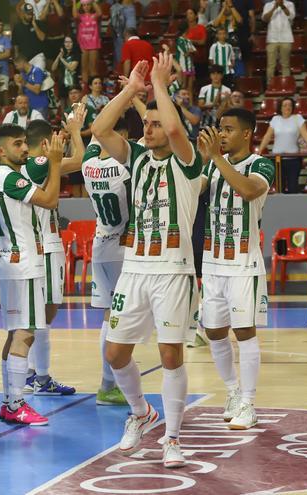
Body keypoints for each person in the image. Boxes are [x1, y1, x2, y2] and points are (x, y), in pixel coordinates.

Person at [91, 54, 201, 468]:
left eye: (155, 124)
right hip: (134, 268)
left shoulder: (187, 161)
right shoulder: (135, 157)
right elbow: (100, 129)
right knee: (116, 354)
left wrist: (159, 86)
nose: (150, 129)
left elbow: (174, 127)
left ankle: (172, 438)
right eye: (147, 124)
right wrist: (131, 91)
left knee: (171, 355)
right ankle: (141, 413)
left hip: (173, 270)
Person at [196, 110, 272, 432]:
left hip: (243, 263)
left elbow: (249, 190)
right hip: (212, 263)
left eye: (229, 130)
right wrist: (198, 162)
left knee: (244, 332)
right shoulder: (213, 165)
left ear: (247, 134)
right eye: (220, 129)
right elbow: (192, 189)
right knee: (213, 331)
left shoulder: (260, 164)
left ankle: (249, 403)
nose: (222, 135)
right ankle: (232, 393)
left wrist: (215, 158)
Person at [0, 124, 64, 426]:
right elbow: (50, 200)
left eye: (24, 143)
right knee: (26, 332)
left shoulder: (0, 176)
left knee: (14, 333)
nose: (23, 149)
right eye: (17, 144)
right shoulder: (11, 179)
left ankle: (10, 401)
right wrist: (56, 162)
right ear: (1, 151)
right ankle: (16, 403)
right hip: (24, 264)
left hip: (11, 262)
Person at [18, 118, 84, 396]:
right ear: (45, 144)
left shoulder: (30, 167)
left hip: (39, 245)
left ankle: (33, 373)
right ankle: (40, 377)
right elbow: (80, 159)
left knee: (41, 314)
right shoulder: (40, 164)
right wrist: (77, 130)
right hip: (45, 246)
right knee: (44, 313)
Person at [80, 116, 130, 406]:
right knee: (122, 319)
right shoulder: (125, 166)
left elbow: (87, 145)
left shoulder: (89, 165)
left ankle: (107, 384)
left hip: (100, 246)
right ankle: (113, 383)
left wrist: (76, 128)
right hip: (124, 247)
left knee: (108, 318)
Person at [256, 98, 307, 193]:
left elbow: (305, 134)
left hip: (293, 160)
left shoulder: (298, 118)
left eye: (289, 105)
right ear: (280, 108)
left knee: (292, 187)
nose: (287, 107)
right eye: (285, 105)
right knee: (279, 188)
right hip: (277, 160)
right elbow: (267, 136)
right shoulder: (275, 119)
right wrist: (260, 150)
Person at [262, 0, 295, 78]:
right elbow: (265, 19)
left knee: (285, 64)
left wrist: (282, 6)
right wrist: (274, 8)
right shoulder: (268, 5)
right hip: (272, 38)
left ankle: (286, 85)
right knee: (270, 65)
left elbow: (292, 16)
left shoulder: (290, 4)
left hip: (286, 38)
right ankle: (270, 86)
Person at [73, 0, 101, 84]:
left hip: (94, 44)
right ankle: (85, 88)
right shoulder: (80, 17)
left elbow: (99, 12)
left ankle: (95, 86)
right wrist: (74, 2)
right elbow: (74, 15)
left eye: (88, 5)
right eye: (84, 5)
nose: (86, 7)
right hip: (83, 44)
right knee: (84, 68)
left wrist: (93, 2)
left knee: (93, 68)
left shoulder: (94, 16)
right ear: (81, 6)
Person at [13, 54, 50, 119]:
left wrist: (24, 83)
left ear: (22, 63)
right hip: (29, 107)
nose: (16, 68)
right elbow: (21, 94)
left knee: (40, 128)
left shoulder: (37, 71)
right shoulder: (22, 74)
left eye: (17, 65)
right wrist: (19, 86)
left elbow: (37, 90)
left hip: (40, 106)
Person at [12, 3, 47, 70]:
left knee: (37, 78)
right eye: (28, 14)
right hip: (24, 60)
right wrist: (17, 60)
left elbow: (42, 38)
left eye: (31, 14)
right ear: (22, 13)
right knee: (27, 80)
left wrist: (34, 25)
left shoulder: (38, 23)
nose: (30, 16)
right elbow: (15, 45)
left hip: (38, 56)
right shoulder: (17, 27)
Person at [52, 36, 81, 108]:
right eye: (66, 42)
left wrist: (62, 59)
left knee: (72, 108)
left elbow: (72, 68)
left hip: (73, 85)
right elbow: (53, 68)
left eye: (70, 42)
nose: (67, 44)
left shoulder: (76, 54)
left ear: (73, 43)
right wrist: (59, 56)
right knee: (63, 109)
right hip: (62, 85)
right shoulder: (62, 55)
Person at [110, 0, 137, 66]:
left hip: (128, 7)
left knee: (130, 36)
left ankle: (131, 68)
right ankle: (120, 68)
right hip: (116, 7)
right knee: (118, 40)